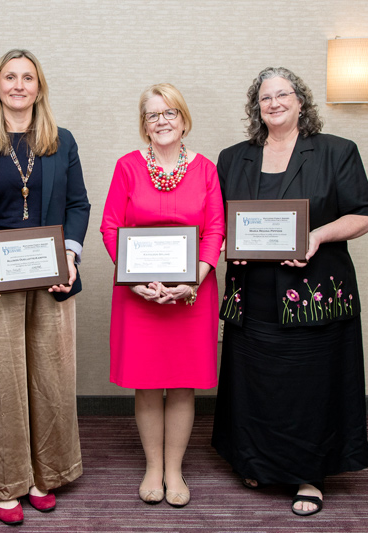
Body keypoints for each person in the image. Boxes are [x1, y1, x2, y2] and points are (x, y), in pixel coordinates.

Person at [211, 67, 368, 516]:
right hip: (253, 296)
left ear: (301, 101)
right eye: (265, 98)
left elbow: (365, 215)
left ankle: (310, 474)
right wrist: (230, 245)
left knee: (310, 387)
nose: (274, 103)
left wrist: (318, 236)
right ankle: (257, 461)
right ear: (256, 107)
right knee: (256, 383)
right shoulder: (233, 158)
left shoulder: (336, 152)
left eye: (283, 94)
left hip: (313, 294)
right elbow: (221, 222)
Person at [0, 49, 90, 525]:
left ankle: (42, 474)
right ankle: (4, 480)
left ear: (39, 87)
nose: (19, 85)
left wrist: (69, 255)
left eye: (28, 77)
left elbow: (79, 205)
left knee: (50, 379)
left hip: (51, 277)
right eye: (10, 77)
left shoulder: (61, 141)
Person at [100, 84, 225, 508]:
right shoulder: (128, 167)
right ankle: (153, 467)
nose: (163, 121)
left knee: (185, 384)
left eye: (170, 112)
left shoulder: (206, 169)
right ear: (144, 125)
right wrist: (133, 281)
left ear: (184, 119)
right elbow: (110, 227)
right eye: (153, 115)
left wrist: (196, 280)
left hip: (192, 294)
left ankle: (175, 469)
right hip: (140, 296)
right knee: (148, 385)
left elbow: (215, 231)